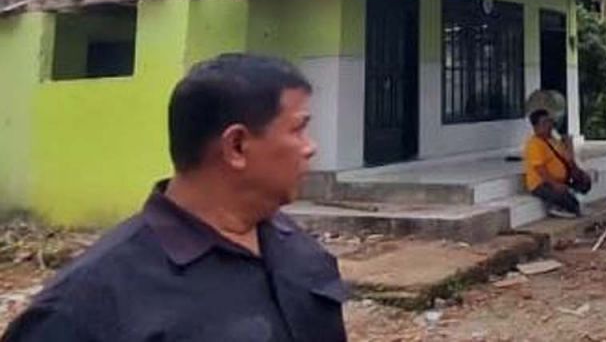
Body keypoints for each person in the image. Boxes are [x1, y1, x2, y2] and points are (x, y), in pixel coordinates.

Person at [2, 54, 347, 342]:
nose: (310, 147)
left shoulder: (299, 250)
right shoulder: (84, 308)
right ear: (237, 146)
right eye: (298, 129)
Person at [524, 108, 583, 218]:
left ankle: (570, 201)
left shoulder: (554, 140)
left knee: (584, 180)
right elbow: (540, 170)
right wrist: (554, 184)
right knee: (569, 202)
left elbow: (568, 159)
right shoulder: (534, 144)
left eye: (549, 121)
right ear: (536, 127)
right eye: (544, 123)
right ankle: (557, 207)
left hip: (561, 179)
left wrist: (569, 145)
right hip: (542, 184)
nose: (549, 125)